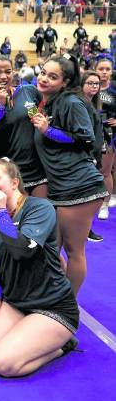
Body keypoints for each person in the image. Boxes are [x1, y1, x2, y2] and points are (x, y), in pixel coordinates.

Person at [0, 159, 79, 377]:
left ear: (14, 182)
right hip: (17, 302)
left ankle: (62, 345)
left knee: (3, 363)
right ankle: (29, 331)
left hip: (51, 306)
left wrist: (0, 213)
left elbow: (22, 251)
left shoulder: (40, 208)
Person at [30, 54, 108, 295]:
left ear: (64, 82)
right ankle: (54, 295)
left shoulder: (71, 102)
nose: (44, 78)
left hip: (81, 187)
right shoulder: (50, 102)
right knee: (52, 248)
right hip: (61, 187)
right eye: (43, 72)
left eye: (52, 76)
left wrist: (48, 131)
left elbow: (86, 137)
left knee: (74, 250)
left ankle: (67, 306)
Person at [0, 51, 47, 198]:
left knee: (40, 216)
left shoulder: (29, 91)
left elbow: (48, 108)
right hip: (11, 175)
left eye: (8, 71)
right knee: (17, 219)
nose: (3, 76)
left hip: (38, 170)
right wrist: (1, 108)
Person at [80, 70, 105, 242]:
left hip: (94, 155)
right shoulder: (80, 105)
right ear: (81, 84)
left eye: (96, 83)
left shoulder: (94, 103)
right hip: (84, 157)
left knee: (92, 195)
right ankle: (83, 229)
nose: (94, 86)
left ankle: (86, 228)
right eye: (90, 83)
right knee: (91, 196)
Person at [94, 55, 116, 220]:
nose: (104, 72)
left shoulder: (114, 89)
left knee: (106, 171)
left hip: (109, 134)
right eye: (101, 69)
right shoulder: (87, 86)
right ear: (95, 70)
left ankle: (104, 204)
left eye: (107, 69)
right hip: (89, 133)